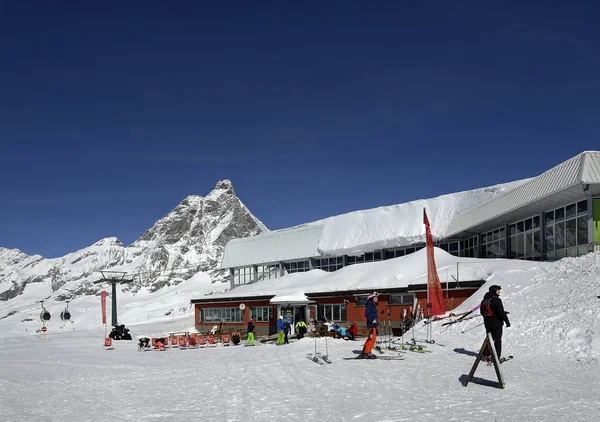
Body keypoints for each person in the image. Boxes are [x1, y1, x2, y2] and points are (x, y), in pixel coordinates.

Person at [481, 284, 511, 361]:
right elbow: (500, 312)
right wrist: (507, 321)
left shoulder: (484, 301)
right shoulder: (497, 300)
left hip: (488, 324)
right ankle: (496, 357)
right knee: (497, 340)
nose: (499, 291)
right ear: (494, 291)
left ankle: (486, 355)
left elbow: (482, 312)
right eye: (498, 290)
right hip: (497, 324)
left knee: (489, 339)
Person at [359, 292, 379, 358]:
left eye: (377, 298)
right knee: (372, 339)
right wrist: (372, 320)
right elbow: (367, 314)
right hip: (371, 324)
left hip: (373, 324)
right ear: (372, 298)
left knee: (371, 338)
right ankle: (367, 352)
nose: (377, 299)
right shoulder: (370, 305)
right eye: (375, 298)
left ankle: (365, 352)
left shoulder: (372, 304)